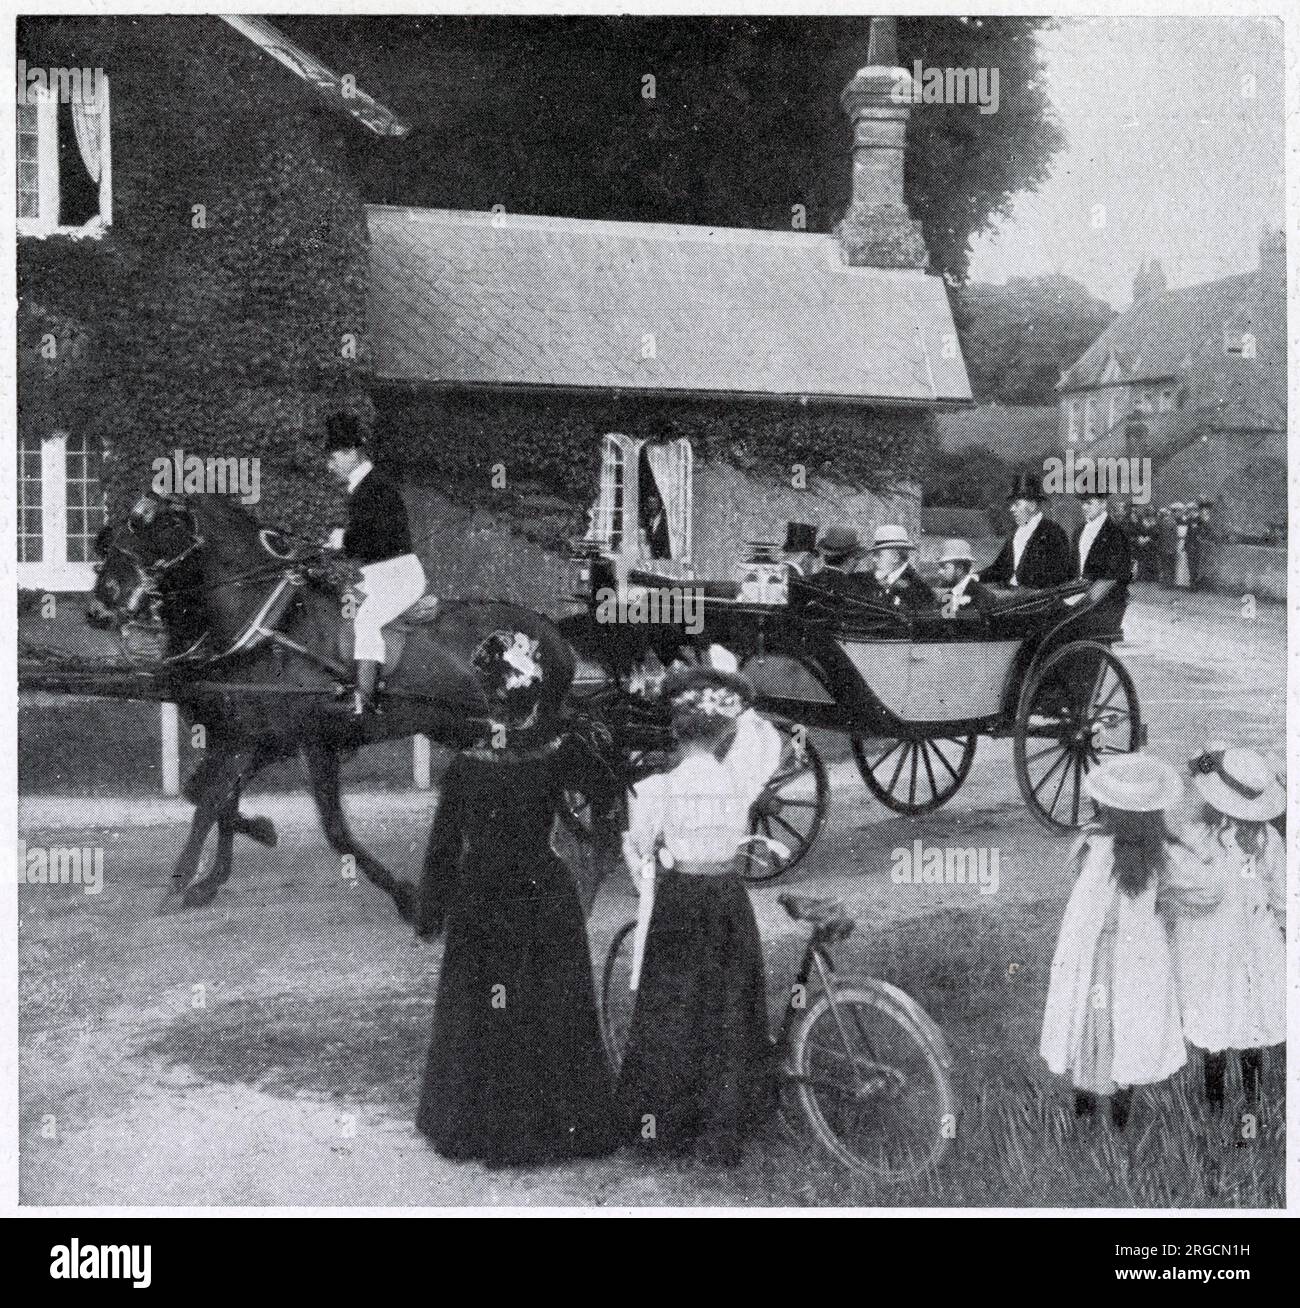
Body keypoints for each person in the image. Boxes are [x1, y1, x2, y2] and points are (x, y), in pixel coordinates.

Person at [415, 738, 619, 1166]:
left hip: (485, 893)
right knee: (543, 1000)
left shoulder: (465, 766)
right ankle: (557, 1119)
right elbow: (608, 785)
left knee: (493, 999)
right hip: (540, 889)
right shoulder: (557, 752)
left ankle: (481, 1123)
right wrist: (602, 842)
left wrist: (430, 913)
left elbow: (444, 844)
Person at [617, 665, 783, 1164]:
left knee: (674, 1003)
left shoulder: (655, 789)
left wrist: (641, 857)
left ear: (674, 729)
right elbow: (763, 739)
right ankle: (728, 1122)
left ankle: (664, 1124)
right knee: (728, 1006)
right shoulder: (740, 784)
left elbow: (643, 852)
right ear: (726, 732)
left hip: (682, 899)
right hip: (728, 897)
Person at [1039, 753, 1188, 1131]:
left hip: (1111, 957)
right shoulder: (1143, 851)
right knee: (1113, 1028)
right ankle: (1104, 1116)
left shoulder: (1100, 847)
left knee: (1104, 1027)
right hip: (1108, 957)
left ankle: (1091, 1113)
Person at [1161, 745, 1286, 1110]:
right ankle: (1235, 1106)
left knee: (1238, 1022)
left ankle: (1241, 1108)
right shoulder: (1257, 840)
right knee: (1232, 1021)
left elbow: (1280, 895)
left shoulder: (1221, 840)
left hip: (1233, 944)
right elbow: (1280, 897)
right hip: (1227, 943)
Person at [324, 414, 428, 714]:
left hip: (398, 575)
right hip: (378, 574)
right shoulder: (361, 487)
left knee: (367, 621)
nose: (329, 467)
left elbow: (372, 540)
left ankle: (366, 701)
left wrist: (341, 540)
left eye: (333, 458)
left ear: (350, 453)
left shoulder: (374, 487)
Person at [982, 472, 1071, 590]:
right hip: (1010, 594)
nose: (1012, 509)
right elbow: (999, 568)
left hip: (1034, 601)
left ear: (1032, 506)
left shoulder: (1053, 532)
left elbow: (1056, 577)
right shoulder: (1016, 533)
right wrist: (975, 577)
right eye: (1012, 504)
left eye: (1017, 504)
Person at [1070, 491, 1132, 638]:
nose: (1084, 507)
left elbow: (1116, 575)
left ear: (1103, 504)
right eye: (1082, 503)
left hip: (1105, 603)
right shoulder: (1079, 531)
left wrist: (1085, 600)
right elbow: (1072, 568)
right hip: (1079, 598)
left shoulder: (1116, 533)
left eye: (1089, 503)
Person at [864, 524, 938, 612]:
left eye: (878, 554)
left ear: (895, 557)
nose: (874, 559)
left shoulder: (920, 590)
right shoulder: (872, 581)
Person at [934, 538, 994, 618]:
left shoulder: (982, 595)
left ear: (960, 568)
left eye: (944, 567)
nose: (939, 572)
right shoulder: (947, 597)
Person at [1156, 506, 1178, 588]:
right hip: (1170, 547)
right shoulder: (1173, 522)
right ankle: (1170, 583)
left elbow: (1160, 535)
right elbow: (1174, 536)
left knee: (1165, 566)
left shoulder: (1163, 522)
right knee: (1170, 566)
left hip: (1164, 547)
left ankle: (1166, 583)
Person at [1173, 504, 1193, 589]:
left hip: (1186, 542)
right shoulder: (1177, 520)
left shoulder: (1190, 521)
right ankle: (1179, 581)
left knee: (1186, 561)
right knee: (1179, 561)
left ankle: (1186, 582)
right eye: (1180, 511)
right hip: (1179, 542)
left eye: (1185, 511)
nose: (1183, 512)